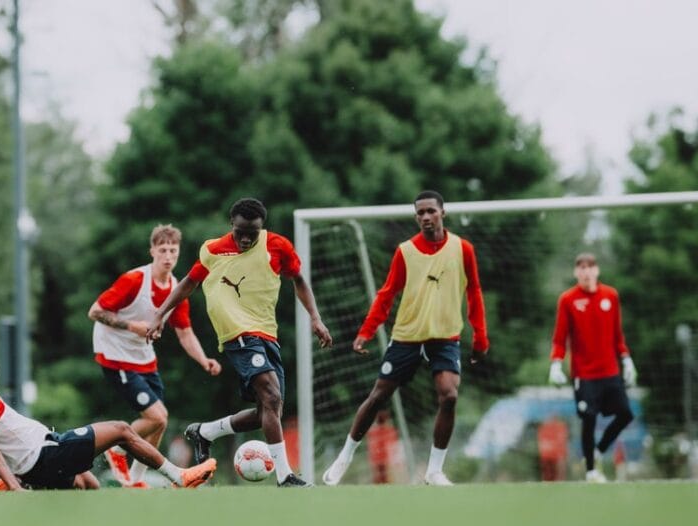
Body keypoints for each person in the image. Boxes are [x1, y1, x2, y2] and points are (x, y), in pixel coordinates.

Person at [0, 334, 217, 492]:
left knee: (88, 483)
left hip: (36, 464)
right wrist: (14, 485)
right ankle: (178, 477)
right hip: (43, 456)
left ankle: (17, 485)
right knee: (123, 429)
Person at [146, 197, 333, 488]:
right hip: (237, 334)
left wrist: (315, 318)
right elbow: (189, 282)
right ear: (231, 224)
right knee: (271, 396)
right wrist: (160, 313)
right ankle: (285, 476)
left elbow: (298, 279)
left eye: (253, 232)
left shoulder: (278, 246)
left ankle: (205, 432)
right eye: (241, 231)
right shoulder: (212, 249)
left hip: (266, 333)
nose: (246, 238)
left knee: (267, 411)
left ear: (262, 227)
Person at [322, 190, 488, 487]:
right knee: (378, 397)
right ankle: (344, 459)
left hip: (445, 338)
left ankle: (434, 471)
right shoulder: (405, 251)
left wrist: (480, 336)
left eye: (431, 211)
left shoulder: (463, 249)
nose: (426, 217)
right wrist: (366, 332)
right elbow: (386, 294)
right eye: (420, 213)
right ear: (416, 217)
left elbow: (474, 292)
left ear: (442, 213)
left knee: (449, 395)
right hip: (407, 337)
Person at [89, 224, 221, 487]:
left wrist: (203, 359)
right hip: (115, 354)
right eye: (163, 250)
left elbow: (185, 334)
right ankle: (116, 447)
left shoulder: (177, 289)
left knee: (159, 423)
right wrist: (132, 326)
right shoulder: (134, 280)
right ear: (152, 251)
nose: (168, 256)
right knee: (157, 416)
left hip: (143, 356)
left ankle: (135, 481)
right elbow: (94, 311)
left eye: (173, 250)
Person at [548, 252, 636, 483]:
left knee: (626, 414)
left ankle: (598, 451)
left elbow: (618, 335)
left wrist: (626, 359)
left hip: (610, 371)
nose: (586, 271)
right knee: (589, 418)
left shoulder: (610, 296)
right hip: (584, 375)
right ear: (576, 272)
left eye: (590, 267)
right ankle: (591, 471)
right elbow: (560, 338)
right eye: (581, 267)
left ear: (597, 270)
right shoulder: (568, 299)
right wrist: (556, 364)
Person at [366, 410, 400, 485]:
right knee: (386, 477)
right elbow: (393, 443)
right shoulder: (389, 430)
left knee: (377, 477)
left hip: (376, 457)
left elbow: (370, 445)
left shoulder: (372, 431)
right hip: (385, 457)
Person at [536, 414, 569, 482]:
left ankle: (560, 482)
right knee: (547, 472)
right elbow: (542, 442)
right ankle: (546, 482)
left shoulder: (561, 427)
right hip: (547, 454)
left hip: (558, 454)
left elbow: (562, 440)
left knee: (560, 465)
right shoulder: (543, 428)